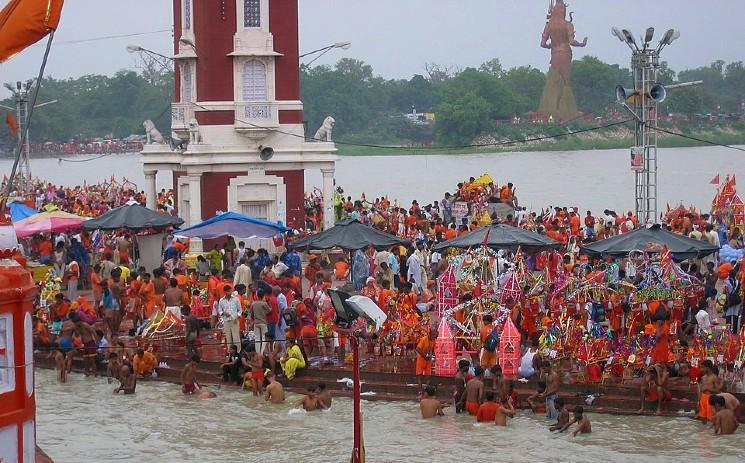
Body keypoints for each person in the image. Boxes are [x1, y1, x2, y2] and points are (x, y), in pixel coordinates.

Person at [218, 285, 242, 353]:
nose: (229, 292)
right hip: (226, 321)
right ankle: (230, 351)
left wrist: (237, 317)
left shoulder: (236, 299)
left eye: (230, 291)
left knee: (236, 337)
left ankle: (238, 351)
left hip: (234, 320)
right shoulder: (221, 300)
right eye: (228, 291)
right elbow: (219, 311)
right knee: (228, 338)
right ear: (225, 292)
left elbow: (240, 310)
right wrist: (223, 313)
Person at [250, 289, 271, 354]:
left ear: (257, 295)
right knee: (264, 338)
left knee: (257, 338)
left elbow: (251, 314)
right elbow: (269, 310)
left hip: (256, 323)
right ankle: (262, 353)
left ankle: (258, 352)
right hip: (263, 322)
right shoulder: (264, 303)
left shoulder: (253, 304)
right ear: (263, 296)